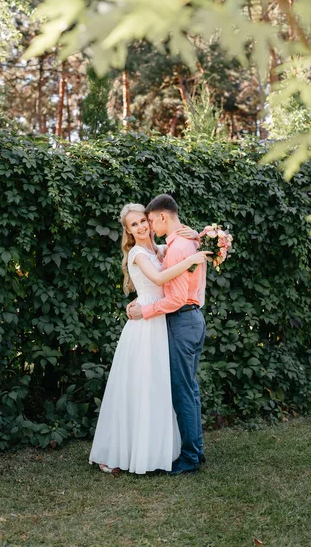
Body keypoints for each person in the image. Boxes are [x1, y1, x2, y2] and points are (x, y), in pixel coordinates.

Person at [89, 203, 209, 475]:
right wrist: (189, 261)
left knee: (159, 390)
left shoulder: (160, 250)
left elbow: (179, 242)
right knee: (139, 388)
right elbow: (157, 277)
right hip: (145, 325)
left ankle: (158, 450)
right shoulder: (137, 253)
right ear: (128, 232)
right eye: (134, 225)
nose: (142, 226)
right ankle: (125, 450)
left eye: (144, 220)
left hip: (161, 322)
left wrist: (196, 235)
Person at [128, 194, 206, 475]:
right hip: (195, 318)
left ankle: (189, 457)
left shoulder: (176, 249)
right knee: (190, 389)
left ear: (162, 216)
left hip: (181, 321)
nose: (149, 226)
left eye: (149, 220)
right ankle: (195, 452)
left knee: (183, 392)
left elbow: (174, 299)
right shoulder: (190, 242)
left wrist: (144, 311)